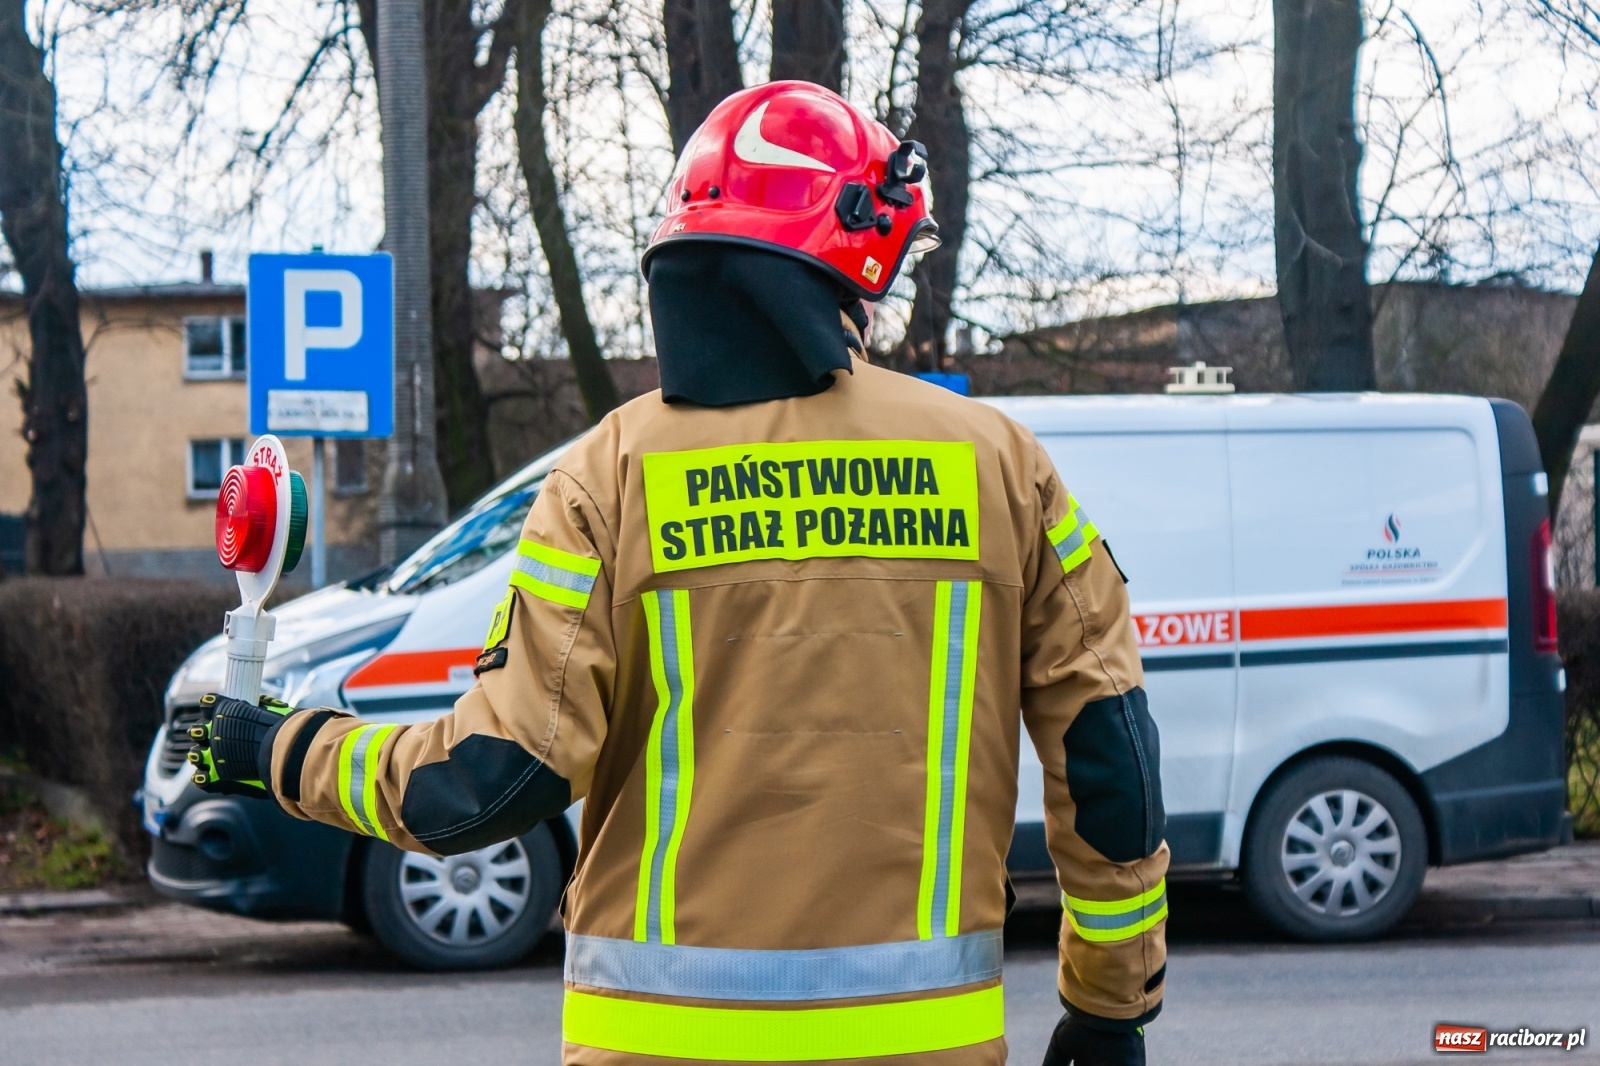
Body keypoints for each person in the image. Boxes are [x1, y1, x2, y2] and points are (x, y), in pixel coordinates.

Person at [188, 80, 1167, 1066]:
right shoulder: (999, 465)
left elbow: (487, 780)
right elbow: (1111, 759)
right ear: (854, 262)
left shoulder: (608, 475)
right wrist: (1106, 1009)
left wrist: (280, 748)